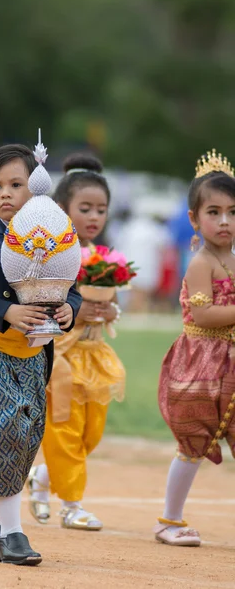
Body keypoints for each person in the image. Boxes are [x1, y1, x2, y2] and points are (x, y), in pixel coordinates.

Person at [0, 144, 82, 565]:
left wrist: (68, 309)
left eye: (16, 185)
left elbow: (70, 286)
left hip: (34, 359)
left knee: (23, 440)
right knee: (2, 435)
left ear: (36, 190)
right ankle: (11, 534)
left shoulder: (55, 240)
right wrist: (5, 309)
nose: (6, 194)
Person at [26, 154, 125, 530]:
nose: (94, 216)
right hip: (61, 356)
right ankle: (73, 506)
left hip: (95, 355)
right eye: (85, 208)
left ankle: (42, 477)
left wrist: (108, 312)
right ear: (62, 208)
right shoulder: (51, 253)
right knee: (65, 429)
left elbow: (113, 306)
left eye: (101, 209)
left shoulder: (104, 257)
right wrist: (77, 313)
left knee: (90, 435)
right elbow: (42, 303)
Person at [154, 149, 235, 547]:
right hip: (201, 364)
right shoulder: (201, 262)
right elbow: (203, 317)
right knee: (193, 442)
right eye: (214, 212)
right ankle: (169, 519)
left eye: (233, 212)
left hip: (232, 364)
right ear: (193, 219)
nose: (225, 221)